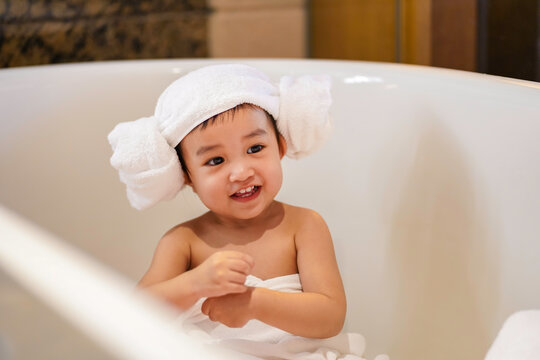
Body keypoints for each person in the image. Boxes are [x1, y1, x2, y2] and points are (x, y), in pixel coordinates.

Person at [108, 64, 374, 359]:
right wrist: (195, 283)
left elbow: (330, 318)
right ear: (187, 177)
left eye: (255, 148)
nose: (241, 172)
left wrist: (254, 303)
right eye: (216, 160)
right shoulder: (184, 241)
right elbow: (135, 313)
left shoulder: (304, 226)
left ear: (280, 147)